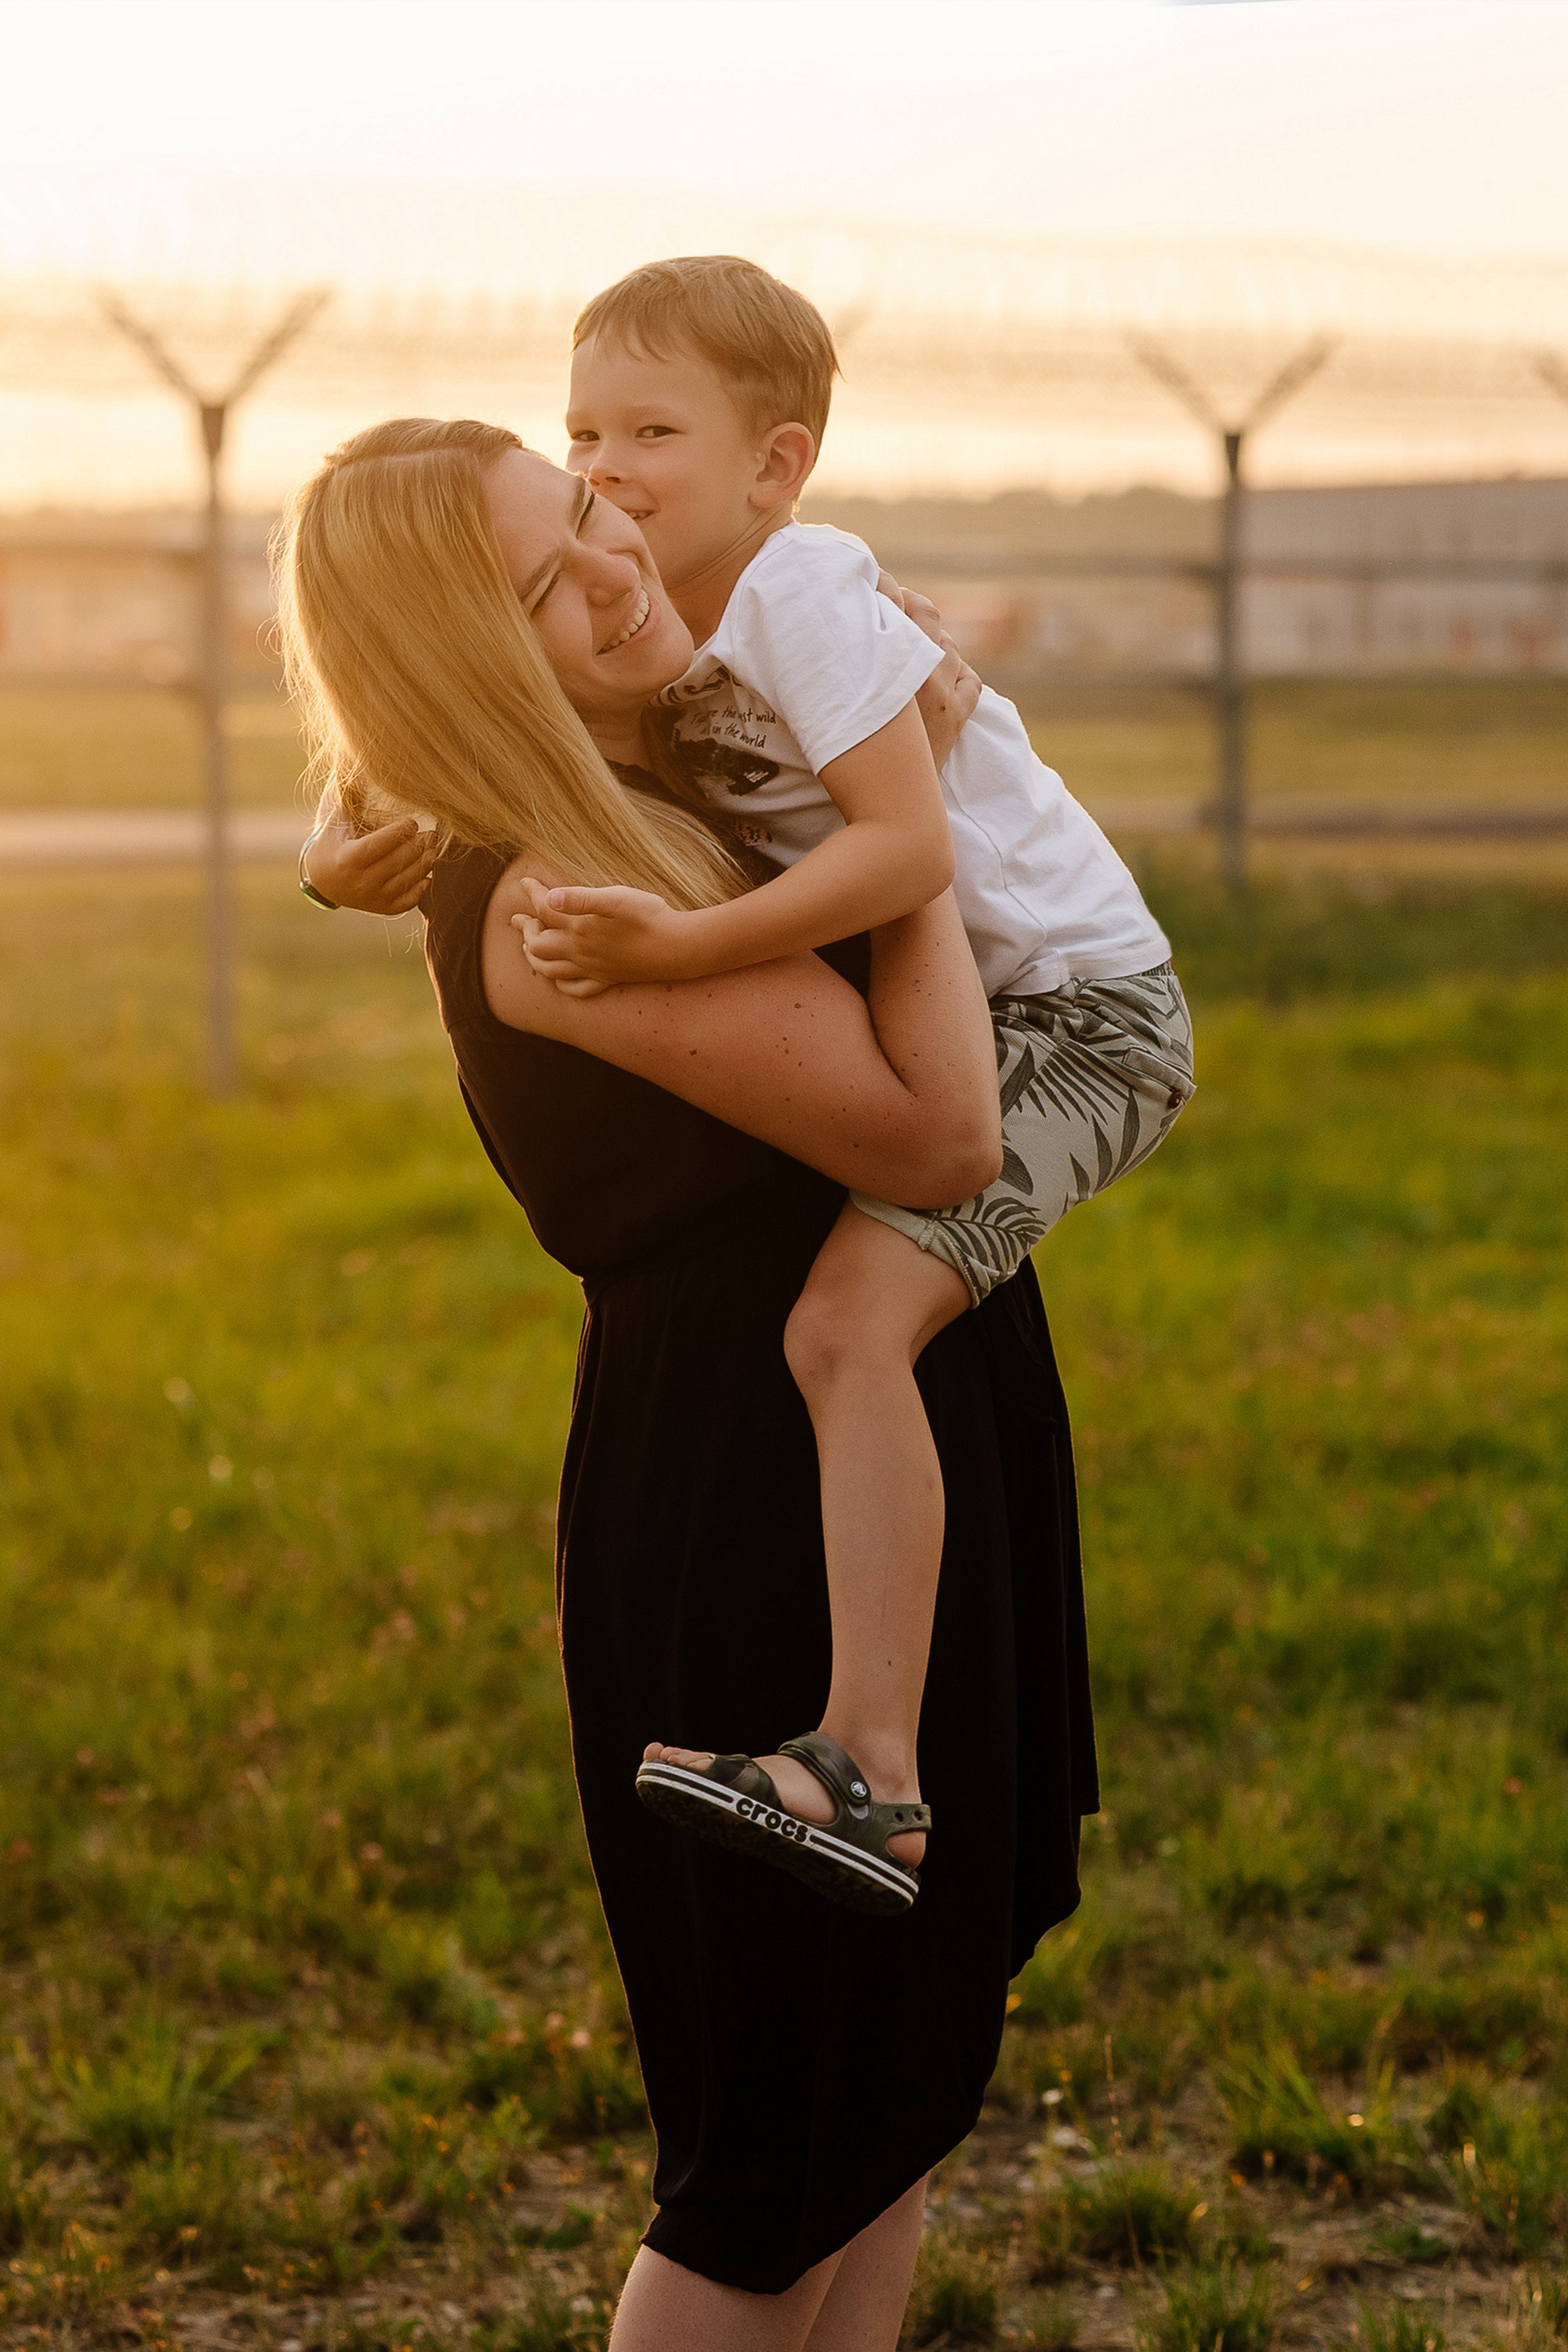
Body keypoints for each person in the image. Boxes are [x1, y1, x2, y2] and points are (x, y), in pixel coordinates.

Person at [281, 416, 1098, 2350]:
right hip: (757, 1513)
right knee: (774, 2158)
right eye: (544, 590)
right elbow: (938, 1143)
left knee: (894, 2094)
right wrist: (901, 827)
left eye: (592, 519)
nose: (614, 573)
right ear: (467, 664)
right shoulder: (559, 907)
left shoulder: (656, 786)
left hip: (882, 1442)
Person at [309, 257, 1189, 1923]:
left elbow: (905, 850)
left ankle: (870, 1762)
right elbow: (521, 723)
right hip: (1000, 1027)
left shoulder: (799, 600)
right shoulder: (687, 639)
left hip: (1083, 1020)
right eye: (584, 442)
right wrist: (363, 818)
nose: (613, 488)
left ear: (775, 465)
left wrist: (677, 953)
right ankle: (873, 1757)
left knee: (849, 1329)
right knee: (847, 1333)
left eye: (640, 442)